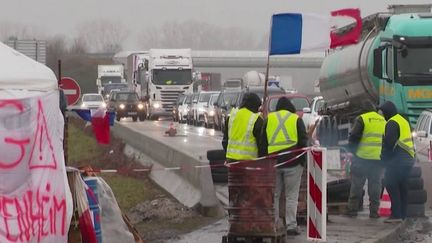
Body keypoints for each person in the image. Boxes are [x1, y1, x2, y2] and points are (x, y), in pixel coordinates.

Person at [260, 97, 308, 235]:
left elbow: (263, 143)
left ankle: (274, 225)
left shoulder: (269, 119)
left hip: (274, 163)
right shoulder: (295, 119)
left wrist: (265, 161)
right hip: (293, 163)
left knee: (274, 195)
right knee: (291, 196)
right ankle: (291, 225)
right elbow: (303, 141)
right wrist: (302, 162)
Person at [346, 103, 386, 218]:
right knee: (375, 185)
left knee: (357, 184)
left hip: (362, 158)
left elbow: (353, 136)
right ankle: (374, 212)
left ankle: (352, 210)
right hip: (378, 159)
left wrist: (352, 152)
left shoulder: (362, 118)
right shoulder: (383, 120)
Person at [379, 101, 415, 223]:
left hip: (399, 159)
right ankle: (403, 215)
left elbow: (389, 144)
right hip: (408, 159)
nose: (383, 115)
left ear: (387, 112)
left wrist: (383, 159)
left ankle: (396, 214)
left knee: (390, 183)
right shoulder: (402, 120)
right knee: (403, 186)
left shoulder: (392, 123)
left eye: (383, 112)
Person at [222, 92, 264, 161]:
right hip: (250, 162)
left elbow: (225, 141)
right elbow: (261, 145)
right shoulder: (256, 120)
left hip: (231, 161)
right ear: (254, 105)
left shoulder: (231, 117)